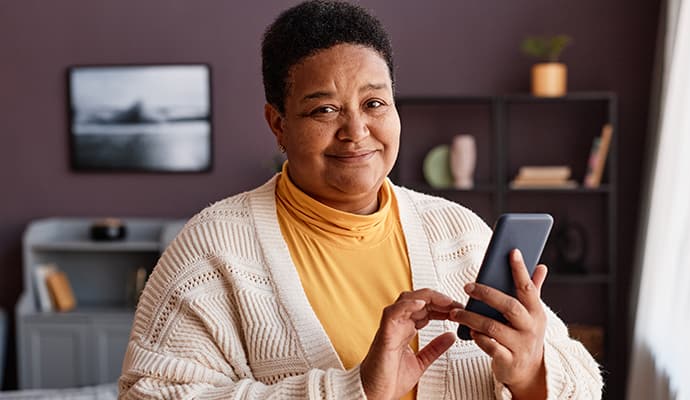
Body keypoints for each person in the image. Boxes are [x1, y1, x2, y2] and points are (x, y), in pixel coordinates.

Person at [118, 1, 602, 399]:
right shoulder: (212, 252)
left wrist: (532, 373)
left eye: (374, 103)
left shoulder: (461, 232)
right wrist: (357, 391)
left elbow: (582, 383)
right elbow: (150, 394)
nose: (356, 131)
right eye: (324, 110)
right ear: (278, 124)